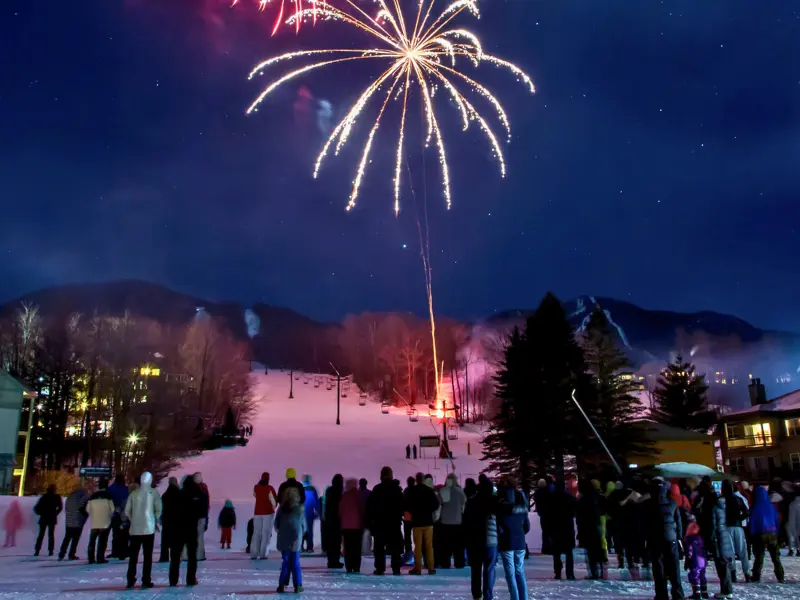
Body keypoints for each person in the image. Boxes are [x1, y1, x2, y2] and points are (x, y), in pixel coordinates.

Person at [643, 478, 684, 600]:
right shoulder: (672, 503)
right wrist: (679, 538)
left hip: (654, 539)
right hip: (671, 538)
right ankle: (678, 594)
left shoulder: (647, 504)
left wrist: (645, 539)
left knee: (658, 568)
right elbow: (679, 522)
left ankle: (661, 594)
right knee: (674, 567)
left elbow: (644, 524)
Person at [124, 471, 163, 589]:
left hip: (135, 529)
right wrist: (154, 519)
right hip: (148, 529)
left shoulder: (134, 494)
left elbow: (127, 511)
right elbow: (159, 509)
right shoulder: (154, 493)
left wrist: (133, 519)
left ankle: (130, 580)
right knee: (147, 556)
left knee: (133, 556)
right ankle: (146, 580)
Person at [464, 477, 498, 600]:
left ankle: (476, 594)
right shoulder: (494, 501)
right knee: (489, 569)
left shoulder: (472, 502)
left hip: (474, 540)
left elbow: (466, 522)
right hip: (490, 540)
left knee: (476, 569)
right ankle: (488, 595)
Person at [367, 466, 404, 575]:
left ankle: (379, 568)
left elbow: (370, 506)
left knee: (379, 549)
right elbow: (402, 505)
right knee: (396, 548)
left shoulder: (377, 489)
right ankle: (396, 568)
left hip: (380, 524)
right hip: (394, 523)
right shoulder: (397, 489)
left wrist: (371, 521)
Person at [497, 477, 530, 600]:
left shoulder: (500, 503)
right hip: (520, 540)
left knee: (510, 574)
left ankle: (515, 598)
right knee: (519, 571)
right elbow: (527, 526)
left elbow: (498, 524)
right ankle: (524, 597)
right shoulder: (521, 501)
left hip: (506, 541)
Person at [169, 475, 204, 587]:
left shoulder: (179, 494)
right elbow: (201, 511)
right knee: (192, 555)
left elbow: (173, 512)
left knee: (175, 555)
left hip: (178, 528)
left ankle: (173, 579)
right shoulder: (197, 494)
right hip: (191, 528)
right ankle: (190, 578)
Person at [749, 485, 785, 583]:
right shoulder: (771, 506)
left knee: (759, 557)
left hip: (760, 534)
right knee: (775, 557)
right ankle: (780, 576)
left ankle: (756, 576)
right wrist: (776, 532)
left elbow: (752, 522)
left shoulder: (756, 507)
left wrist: (752, 534)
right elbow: (777, 520)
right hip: (772, 533)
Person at [275, 487, 306, 593]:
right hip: (296, 539)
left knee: (286, 562)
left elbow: (276, 524)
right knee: (296, 563)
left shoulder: (281, 509)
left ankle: (281, 585)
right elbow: (304, 526)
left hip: (284, 539)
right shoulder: (300, 508)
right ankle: (297, 585)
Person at [408, 473, 440, 575]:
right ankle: (431, 567)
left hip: (417, 522)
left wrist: (413, 511)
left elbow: (407, 504)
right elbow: (436, 504)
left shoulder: (412, 491)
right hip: (428, 522)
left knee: (418, 546)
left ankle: (418, 568)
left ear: (416, 480)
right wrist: (429, 511)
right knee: (429, 546)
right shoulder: (429, 490)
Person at [720, 479, 750, 583]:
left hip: (726, 527)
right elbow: (746, 512)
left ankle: (733, 575)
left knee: (730, 552)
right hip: (738, 527)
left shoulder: (721, 499)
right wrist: (739, 518)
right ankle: (747, 574)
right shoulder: (738, 498)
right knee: (742, 551)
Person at [437, 473, 467, 569]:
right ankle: (459, 562)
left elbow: (439, 502)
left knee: (445, 545)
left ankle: (445, 562)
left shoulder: (443, 491)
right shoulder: (460, 491)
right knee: (458, 545)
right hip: (457, 521)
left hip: (445, 521)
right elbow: (463, 502)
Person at [576, 479, 605, 580]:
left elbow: (580, 516)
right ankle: (601, 571)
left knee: (590, 553)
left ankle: (594, 573)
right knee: (597, 549)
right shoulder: (597, 497)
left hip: (587, 528)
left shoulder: (583, 500)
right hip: (596, 526)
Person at [710, 487, 735, 599]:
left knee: (722, 565)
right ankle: (726, 590)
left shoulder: (714, 509)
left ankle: (726, 591)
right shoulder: (724, 507)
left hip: (718, 537)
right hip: (724, 535)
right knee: (725, 564)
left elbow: (713, 525)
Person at [86, 478, 115, 564]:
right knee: (102, 541)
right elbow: (112, 509)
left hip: (95, 521)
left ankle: (91, 558)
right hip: (105, 521)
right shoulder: (108, 495)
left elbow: (88, 509)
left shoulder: (93, 496)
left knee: (92, 540)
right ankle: (100, 558)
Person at [340, 478, 366, 573]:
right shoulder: (359, 495)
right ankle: (356, 566)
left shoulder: (344, 496)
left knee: (348, 548)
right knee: (357, 548)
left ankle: (349, 566)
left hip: (346, 526)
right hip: (357, 526)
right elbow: (362, 510)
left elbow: (340, 510)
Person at [59, 484, 89, 560]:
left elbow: (66, 507)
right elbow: (82, 507)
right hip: (78, 520)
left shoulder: (70, 496)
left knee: (67, 537)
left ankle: (62, 553)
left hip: (69, 520)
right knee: (75, 539)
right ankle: (71, 554)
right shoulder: (83, 496)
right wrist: (85, 515)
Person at [252, 472, 278, 559]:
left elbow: (255, 495)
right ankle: (263, 554)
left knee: (256, 533)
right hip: (268, 513)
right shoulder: (269, 488)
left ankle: (254, 553)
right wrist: (273, 507)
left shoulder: (256, 487)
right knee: (266, 534)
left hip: (257, 513)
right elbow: (274, 502)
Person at [34, 485, 62, 556]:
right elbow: (60, 508)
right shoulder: (57, 497)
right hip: (52, 518)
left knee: (41, 535)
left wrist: (41, 513)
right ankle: (50, 550)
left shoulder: (44, 497)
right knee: (51, 535)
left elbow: (37, 507)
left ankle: (37, 550)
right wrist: (55, 513)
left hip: (43, 517)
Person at [159, 477, 181, 563]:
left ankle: (164, 556)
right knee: (175, 540)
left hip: (167, 520)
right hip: (176, 520)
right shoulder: (179, 494)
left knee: (165, 540)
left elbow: (161, 508)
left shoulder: (165, 495)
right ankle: (175, 557)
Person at [325, 474, 344, 568]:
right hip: (337, 520)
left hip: (329, 519)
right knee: (336, 542)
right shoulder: (340, 492)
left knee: (331, 541)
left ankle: (330, 561)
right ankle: (335, 560)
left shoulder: (329, 491)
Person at [108, 474, 130, 559]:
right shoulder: (125, 489)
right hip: (124, 514)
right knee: (124, 533)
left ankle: (115, 551)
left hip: (114, 514)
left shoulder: (111, 488)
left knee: (115, 533)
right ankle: (124, 551)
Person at [684, 521, 707, 600]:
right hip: (703, 561)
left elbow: (690, 551)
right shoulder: (700, 539)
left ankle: (696, 593)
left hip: (695, 561)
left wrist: (688, 560)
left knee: (695, 577)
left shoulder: (689, 540)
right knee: (702, 576)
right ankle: (704, 593)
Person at [193, 473, 210, 561]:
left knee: (193, 536)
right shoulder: (204, 488)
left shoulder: (192, 488)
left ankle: (191, 554)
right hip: (202, 515)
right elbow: (207, 503)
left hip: (194, 516)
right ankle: (200, 555)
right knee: (200, 537)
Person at [302, 475, 320, 553]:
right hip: (310, 513)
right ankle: (309, 547)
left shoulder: (300, 489)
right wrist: (318, 512)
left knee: (301, 530)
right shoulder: (313, 489)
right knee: (310, 531)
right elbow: (316, 502)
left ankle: (300, 547)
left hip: (301, 513)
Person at [534, 479, 553, 555]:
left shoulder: (537, 493)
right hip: (549, 514)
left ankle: (545, 548)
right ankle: (550, 548)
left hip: (543, 514)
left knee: (545, 532)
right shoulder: (549, 492)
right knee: (550, 532)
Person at [402, 476, 416, 561]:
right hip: (415, 515)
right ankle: (416, 551)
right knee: (416, 535)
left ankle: (408, 551)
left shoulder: (406, 491)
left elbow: (403, 503)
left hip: (407, 515)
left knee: (407, 535)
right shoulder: (416, 490)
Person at [359, 478, 372, 556]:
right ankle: (367, 549)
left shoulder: (357, 493)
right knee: (367, 533)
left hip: (362, 516)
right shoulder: (369, 493)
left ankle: (363, 549)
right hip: (366, 516)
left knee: (362, 533)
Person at [788, 490, 800, 558]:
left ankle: (796, 550)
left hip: (795, 524)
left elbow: (791, 518)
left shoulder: (792, 504)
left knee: (795, 536)